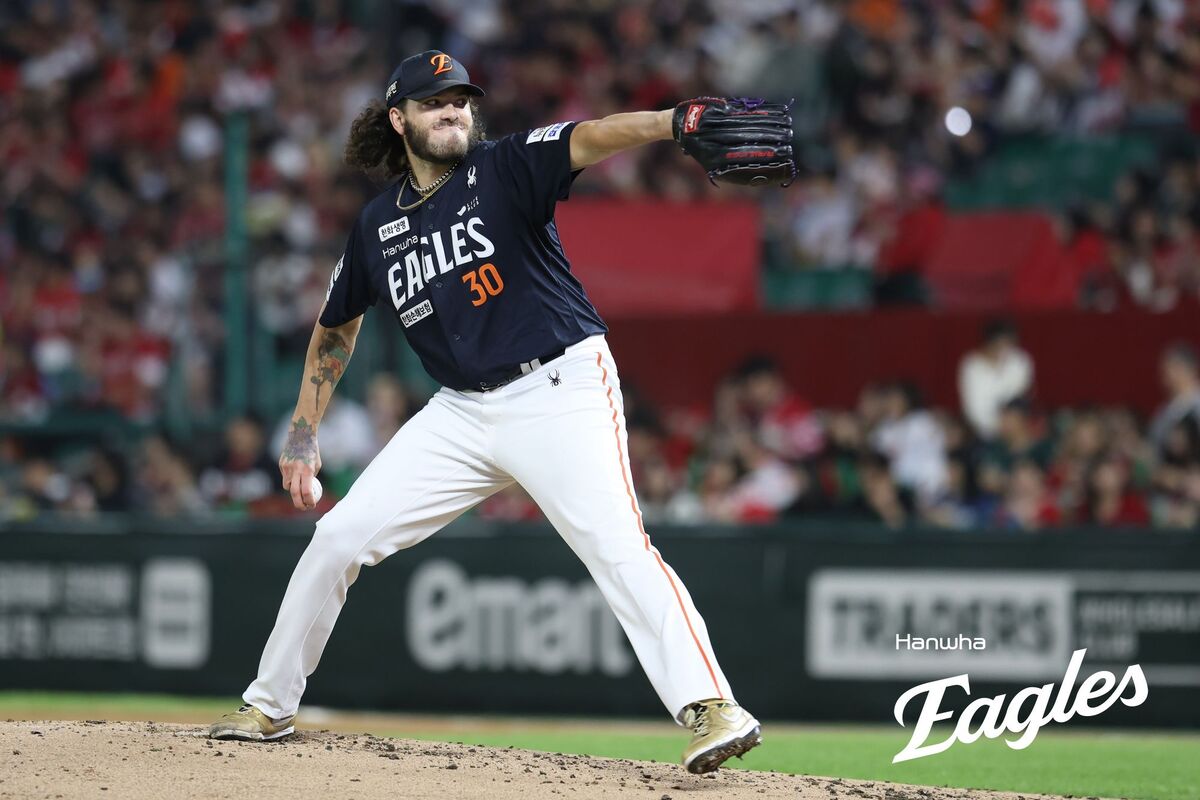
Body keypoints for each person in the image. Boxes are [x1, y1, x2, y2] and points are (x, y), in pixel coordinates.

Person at [207, 50, 761, 774]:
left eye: (461, 99)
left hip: (557, 387)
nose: (453, 110)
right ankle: (269, 705)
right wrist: (303, 432)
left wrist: (670, 121)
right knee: (338, 536)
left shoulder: (504, 167)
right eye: (435, 101)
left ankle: (714, 705)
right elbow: (336, 327)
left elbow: (591, 136)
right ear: (399, 119)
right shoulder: (376, 226)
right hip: (460, 413)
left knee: (616, 546)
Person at [958, 318, 1034, 439]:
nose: (1006, 350)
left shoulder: (1020, 359)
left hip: (1017, 425)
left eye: (1011, 344)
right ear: (989, 343)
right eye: (1001, 345)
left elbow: (1022, 395)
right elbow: (973, 411)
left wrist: (1013, 421)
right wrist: (998, 426)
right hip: (984, 432)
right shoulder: (971, 366)